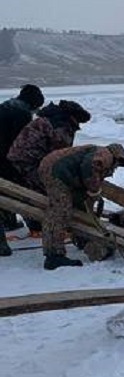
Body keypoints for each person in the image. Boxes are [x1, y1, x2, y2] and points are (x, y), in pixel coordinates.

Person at [38, 143, 124, 270]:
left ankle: (81, 240)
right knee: (60, 212)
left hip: (56, 169)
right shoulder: (105, 155)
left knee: (76, 208)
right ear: (117, 156)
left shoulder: (98, 152)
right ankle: (54, 256)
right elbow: (88, 167)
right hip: (56, 172)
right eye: (117, 165)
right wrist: (94, 189)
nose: (116, 168)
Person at [7, 99, 91, 235]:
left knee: (33, 188)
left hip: (21, 156)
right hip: (29, 160)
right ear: (73, 118)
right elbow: (59, 157)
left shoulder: (51, 118)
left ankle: (37, 224)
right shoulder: (60, 126)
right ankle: (44, 225)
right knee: (49, 189)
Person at [0, 84, 45, 257]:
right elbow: (22, 146)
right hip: (7, 161)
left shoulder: (5, 106)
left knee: (3, 195)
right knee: (22, 192)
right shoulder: (22, 115)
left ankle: (10, 222)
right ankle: (34, 225)